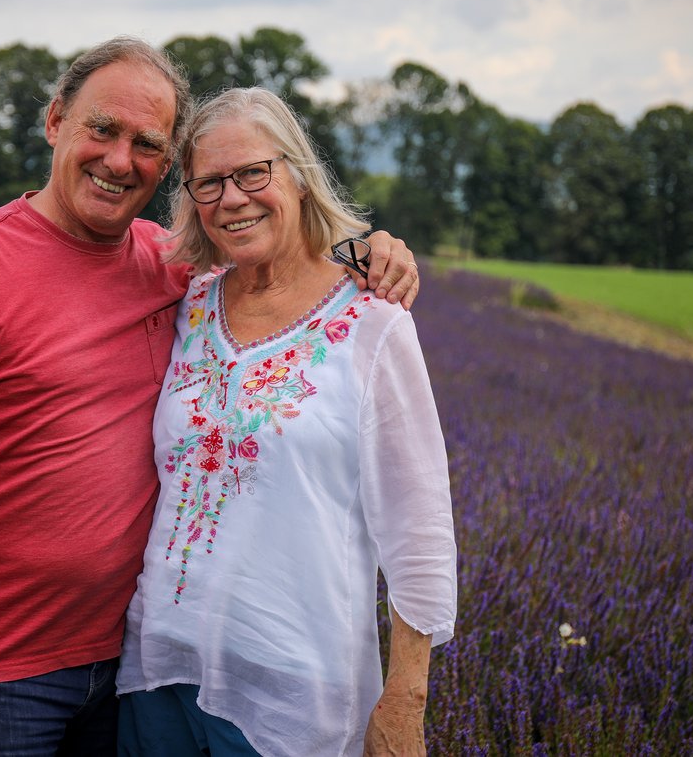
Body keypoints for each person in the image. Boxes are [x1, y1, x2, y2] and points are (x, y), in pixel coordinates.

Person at [0, 37, 422, 756]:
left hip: (131, 663)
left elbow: (271, 235)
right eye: (103, 129)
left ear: (166, 168)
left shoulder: (171, 266)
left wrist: (368, 248)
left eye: (148, 144)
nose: (121, 160)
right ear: (57, 120)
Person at [116, 88, 457, 756]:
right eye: (209, 183)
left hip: (292, 686)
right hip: (157, 666)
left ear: (297, 174)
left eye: (252, 173)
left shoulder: (372, 321)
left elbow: (418, 527)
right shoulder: (187, 304)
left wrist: (406, 697)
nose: (233, 198)